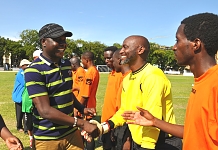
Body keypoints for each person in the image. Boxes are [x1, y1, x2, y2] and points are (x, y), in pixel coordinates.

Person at [122, 12, 218, 150]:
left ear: (195, 44)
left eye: (177, 40)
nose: (174, 47)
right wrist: (155, 121)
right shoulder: (201, 82)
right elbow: (194, 131)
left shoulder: (215, 83)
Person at [90, 35, 182, 150]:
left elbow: (152, 118)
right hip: (139, 141)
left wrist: (147, 146)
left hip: (159, 143)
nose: (121, 51)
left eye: (125, 47)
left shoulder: (152, 76)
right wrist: (103, 127)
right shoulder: (128, 78)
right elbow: (125, 111)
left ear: (140, 50)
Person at [24, 23, 99, 150]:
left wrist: (81, 108)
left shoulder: (66, 64)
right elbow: (45, 110)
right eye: (58, 40)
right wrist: (80, 123)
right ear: (44, 42)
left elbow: (67, 91)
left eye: (64, 41)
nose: (63, 44)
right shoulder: (34, 70)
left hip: (71, 133)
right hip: (48, 138)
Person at [101, 46, 123, 150]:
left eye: (109, 58)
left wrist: (114, 125)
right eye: (105, 58)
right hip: (105, 121)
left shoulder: (122, 75)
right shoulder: (112, 73)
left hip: (114, 123)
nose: (107, 61)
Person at [111, 49, 132, 150]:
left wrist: (128, 138)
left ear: (119, 60)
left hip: (126, 125)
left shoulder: (130, 79)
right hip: (119, 122)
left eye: (113, 60)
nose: (112, 63)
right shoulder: (125, 78)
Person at [79, 51, 100, 150]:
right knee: (84, 132)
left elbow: (85, 94)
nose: (82, 63)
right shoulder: (94, 70)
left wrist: (79, 107)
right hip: (90, 104)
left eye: (82, 60)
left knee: (88, 134)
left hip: (87, 106)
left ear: (87, 60)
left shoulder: (90, 72)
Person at [22, 49, 42, 148]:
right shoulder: (31, 69)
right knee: (29, 123)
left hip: (37, 102)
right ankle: (31, 140)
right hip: (29, 101)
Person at [12, 59, 31, 134]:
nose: (27, 66)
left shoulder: (27, 72)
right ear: (22, 66)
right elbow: (25, 83)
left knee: (25, 113)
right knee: (19, 114)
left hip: (25, 96)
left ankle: (26, 129)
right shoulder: (20, 74)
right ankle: (19, 126)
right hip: (19, 96)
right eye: (26, 65)